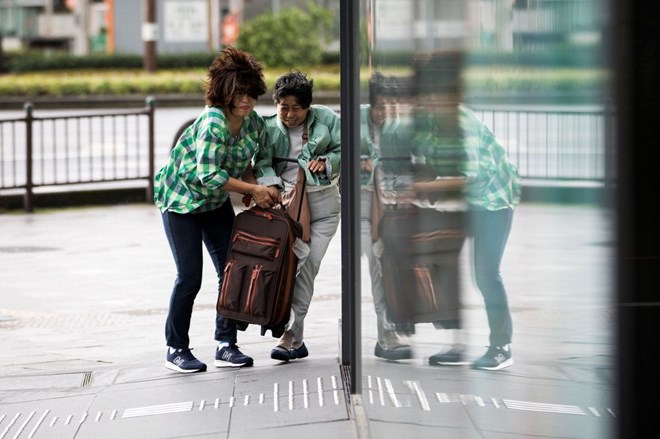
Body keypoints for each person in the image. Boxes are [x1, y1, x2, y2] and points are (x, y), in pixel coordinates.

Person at [154, 47, 280, 373]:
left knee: (232, 270)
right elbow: (208, 175)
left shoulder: (254, 125)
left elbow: (257, 163)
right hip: (181, 202)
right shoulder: (213, 122)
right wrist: (251, 189)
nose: (246, 101)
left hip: (214, 203)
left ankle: (226, 344)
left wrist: (264, 187)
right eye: (239, 93)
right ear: (223, 91)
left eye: (251, 94)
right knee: (189, 277)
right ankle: (175, 348)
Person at [411, 51, 520, 371]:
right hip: (467, 201)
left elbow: (470, 175)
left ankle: (502, 346)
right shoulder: (432, 120)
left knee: (485, 274)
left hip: (492, 202)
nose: (428, 99)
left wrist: (423, 188)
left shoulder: (461, 121)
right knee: (443, 264)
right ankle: (457, 343)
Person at [253, 71, 341, 362]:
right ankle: (294, 337)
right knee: (291, 267)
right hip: (289, 207)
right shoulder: (268, 128)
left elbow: (346, 149)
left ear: (308, 107)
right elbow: (262, 163)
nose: (290, 115)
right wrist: (272, 185)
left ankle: (289, 336)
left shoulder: (327, 119)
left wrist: (327, 161)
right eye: (283, 107)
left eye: (297, 108)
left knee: (308, 267)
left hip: (324, 207)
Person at [359, 73, 412, 361]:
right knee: (377, 264)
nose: (384, 113)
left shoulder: (398, 126)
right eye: (379, 107)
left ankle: (390, 331)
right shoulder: (356, 122)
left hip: (388, 206)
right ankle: (386, 334)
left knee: (386, 265)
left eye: (390, 106)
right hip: (362, 206)